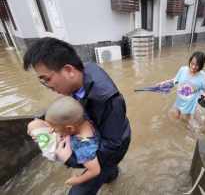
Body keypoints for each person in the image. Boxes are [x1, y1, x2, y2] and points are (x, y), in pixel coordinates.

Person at [23, 37, 131, 195]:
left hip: (114, 144)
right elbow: (67, 108)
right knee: (108, 173)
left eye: (47, 80)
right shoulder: (82, 71)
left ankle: (109, 170)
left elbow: (111, 146)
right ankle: (111, 174)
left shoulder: (107, 100)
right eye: (42, 82)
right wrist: (40, 121)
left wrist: (69, 159)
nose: (48, 87)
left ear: (68, 70)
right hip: (102, 133)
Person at [28, 97, 101, 186]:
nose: (52, 131)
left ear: (69, 128)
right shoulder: (84, 119)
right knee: (35, 125)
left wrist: (78, 180)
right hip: (73, 137)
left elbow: (95, 170)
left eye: (54, 129)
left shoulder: (83, 147)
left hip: (74, 152)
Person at [159, 51, 205, 120]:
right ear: (190, 61)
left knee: (184, 121)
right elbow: (175, 81)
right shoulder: (183, 69)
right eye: (192, 63)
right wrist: (164, 83)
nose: (193, 67)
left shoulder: (202, 76)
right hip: (179, 100)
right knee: (174, 116)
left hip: (190, 104)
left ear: (201, 65)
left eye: (197, 65)